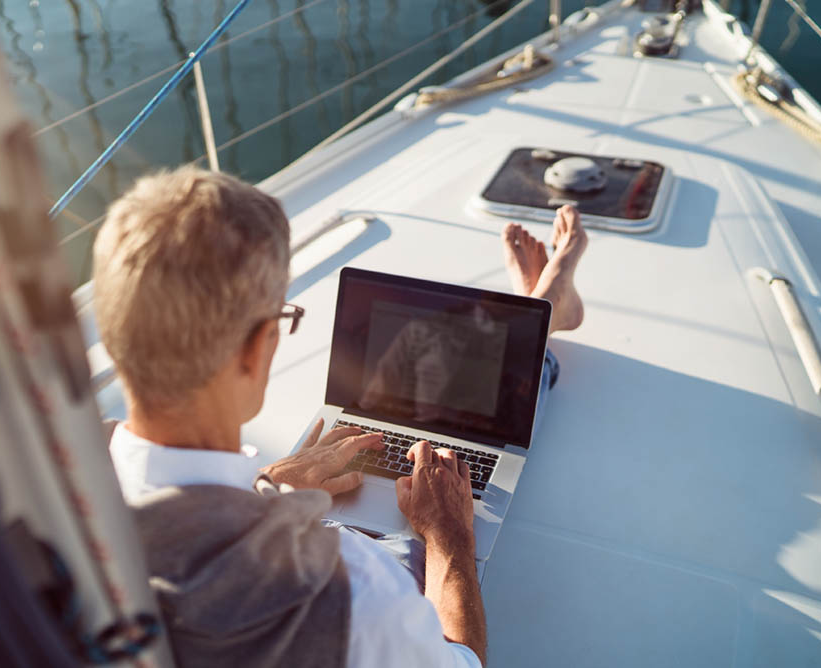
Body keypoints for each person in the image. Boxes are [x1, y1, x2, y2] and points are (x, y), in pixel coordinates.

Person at [93, 166, 587, 668]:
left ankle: (543, 310)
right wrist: (449, 538)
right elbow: (462, 663)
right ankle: (540, 314)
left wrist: (266, 486)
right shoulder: (354, 588)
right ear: (255, 351)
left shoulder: (69, 499)